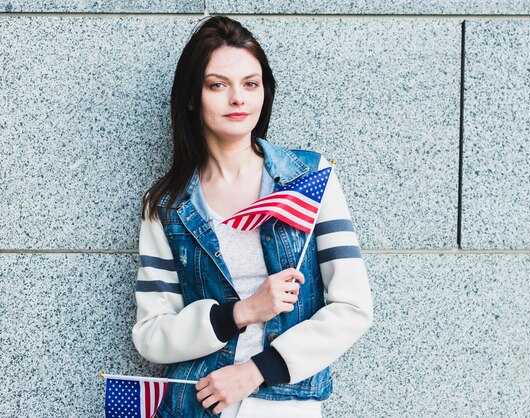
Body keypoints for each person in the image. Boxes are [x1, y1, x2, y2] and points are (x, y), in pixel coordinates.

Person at [132, 15, 372, 418]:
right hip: (196, 404)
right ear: (193, 97)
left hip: (284, 406)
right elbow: (151, 334)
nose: (238, 99)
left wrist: (256, 372)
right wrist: (239, 313)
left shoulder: (309, 179)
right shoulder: (167, 205)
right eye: (217, 85)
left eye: (250, 84)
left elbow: (353, 306)